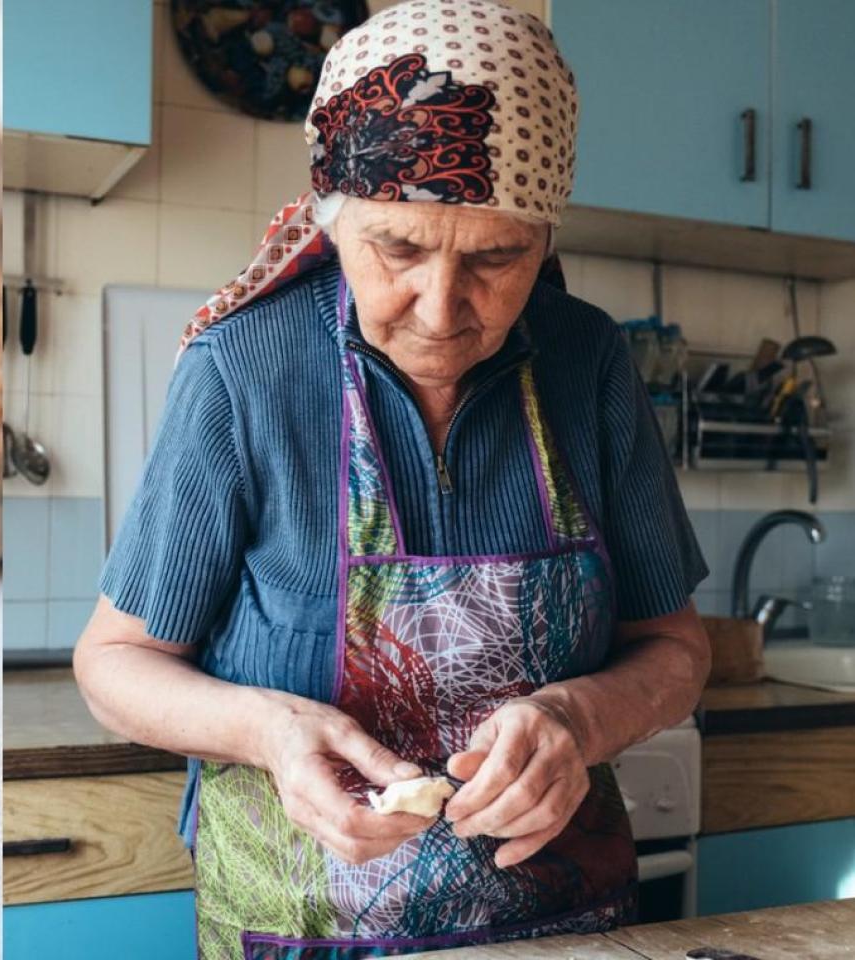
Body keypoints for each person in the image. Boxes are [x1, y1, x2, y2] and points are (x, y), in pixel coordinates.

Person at [73, 2, 711, 956]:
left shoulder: (590, 365)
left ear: (544, 238)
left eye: (496, 258)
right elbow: (114, 664)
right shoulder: (244, 370)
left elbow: (675, 648)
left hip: (560, 927)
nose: (442, 307)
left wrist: (577, 717)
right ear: (333, 223)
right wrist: (271, 731)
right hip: (295, 928)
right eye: (399, 249)